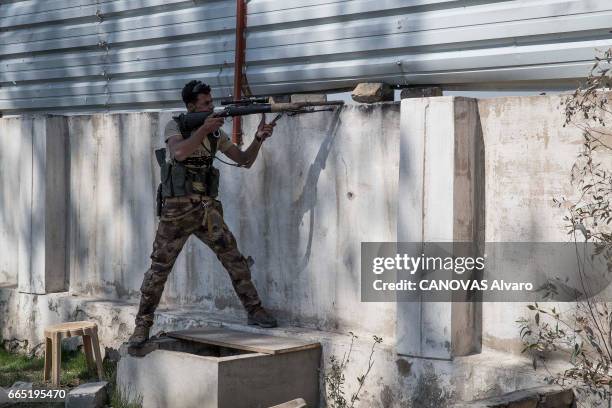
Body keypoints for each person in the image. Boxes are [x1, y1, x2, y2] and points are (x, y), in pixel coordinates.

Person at [128, 80, 277, 347]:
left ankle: (254, 310)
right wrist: (203, 130)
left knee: (234, 258)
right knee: (158, 270)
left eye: (211, 102)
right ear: (191, 106)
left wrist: (258, 139)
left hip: (206, 209)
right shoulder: (175, 125)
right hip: (176, 211)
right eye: (205, 104)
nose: (211, 107)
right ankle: (142, 326)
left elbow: (244, 161)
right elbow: (180, 152)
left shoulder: (216, 135)